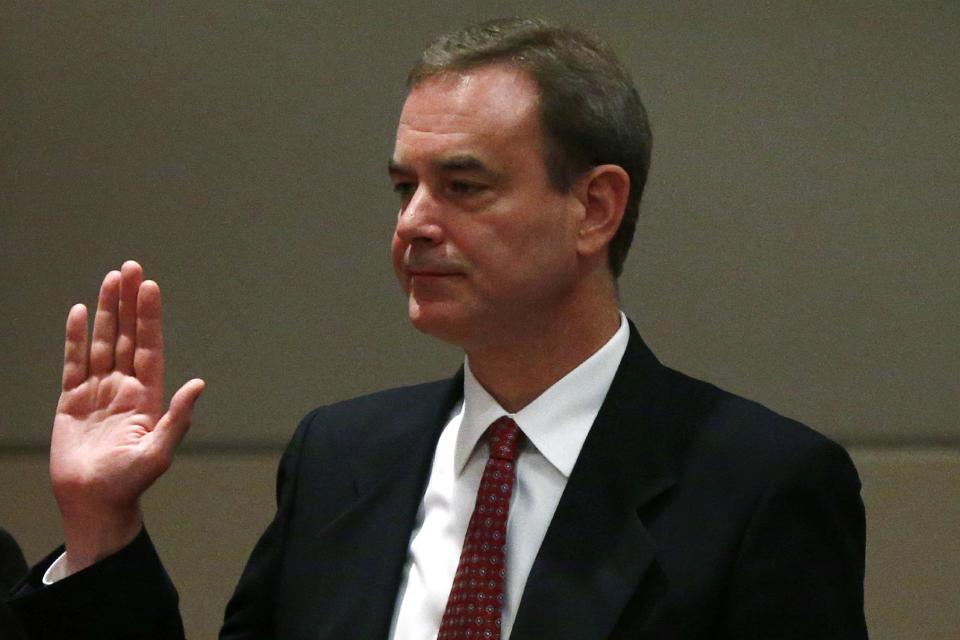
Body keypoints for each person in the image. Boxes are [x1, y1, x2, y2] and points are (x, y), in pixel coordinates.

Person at [7, 17, 867, 640]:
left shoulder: (760, 487)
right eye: (402, 188)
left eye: (463, 186)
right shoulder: (342, 458)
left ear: (595, 208)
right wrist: (100, 527)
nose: (414, 222)